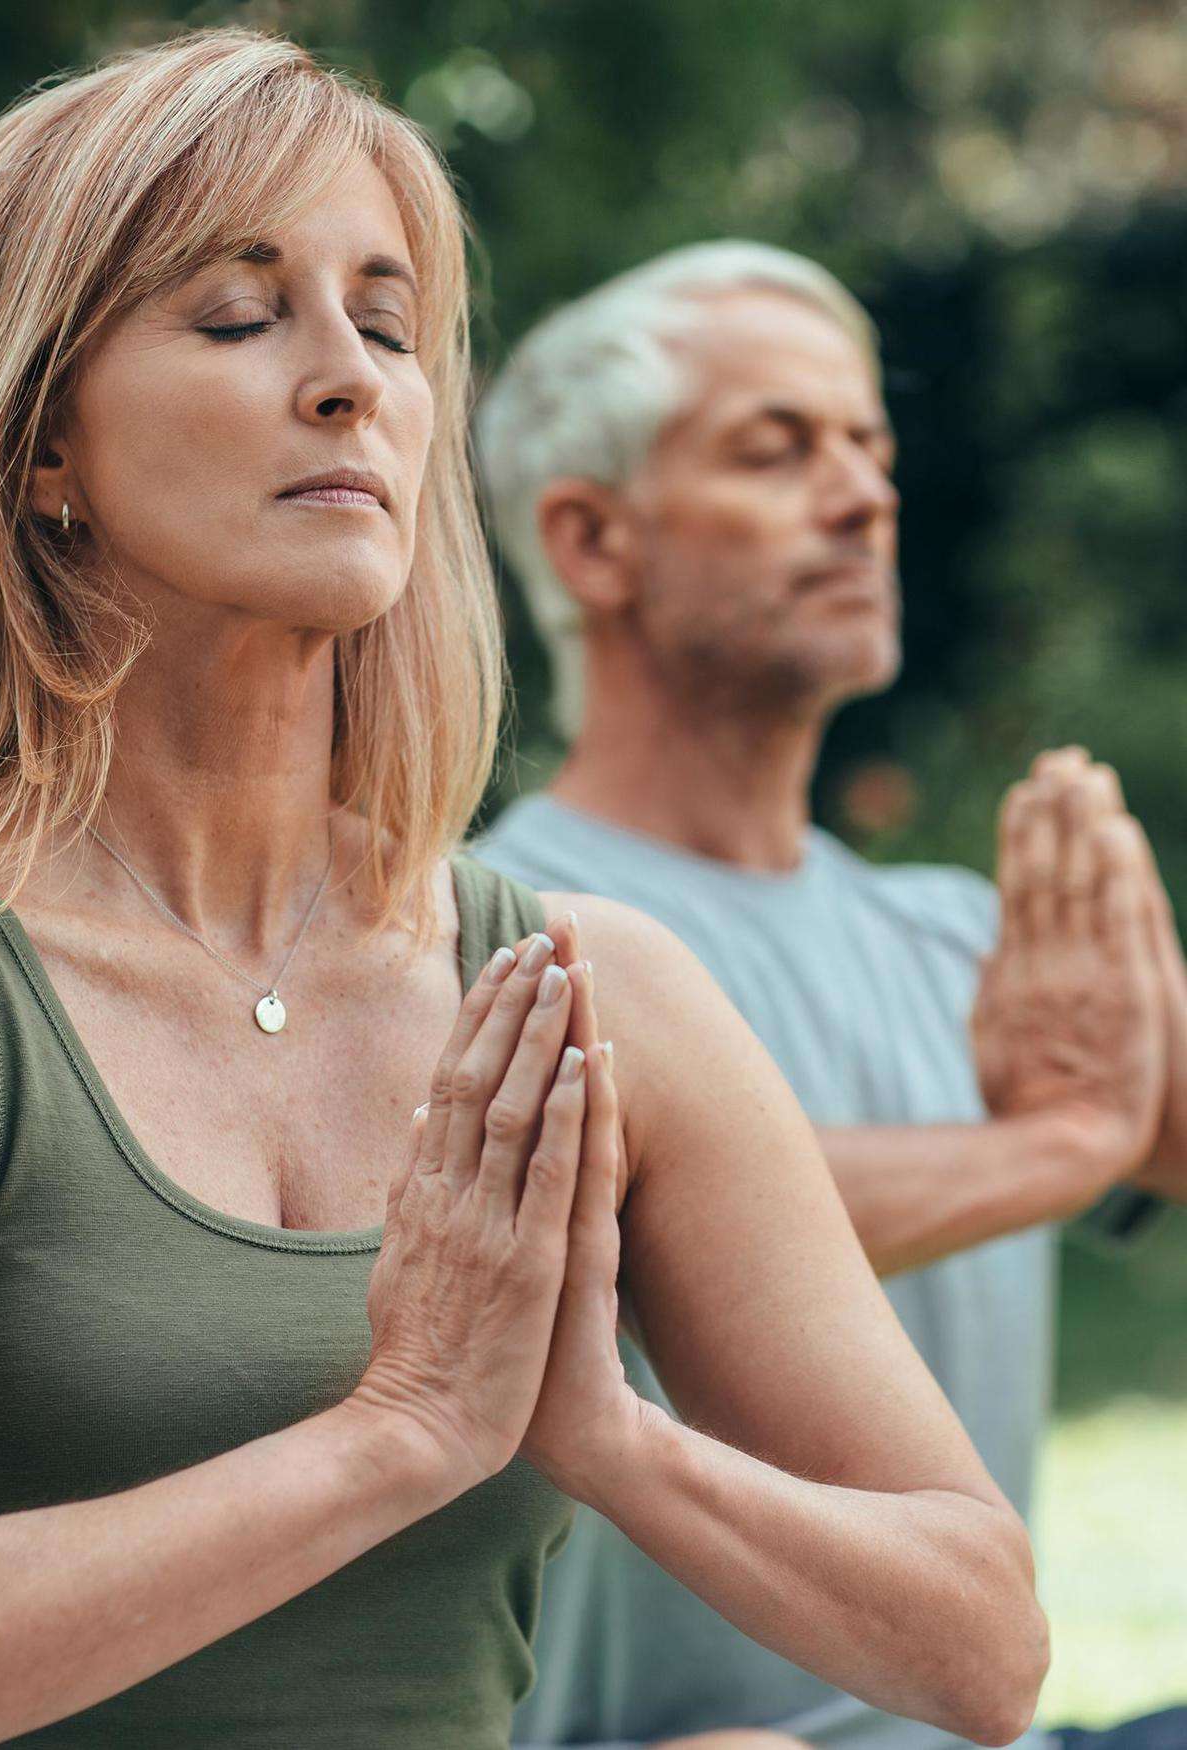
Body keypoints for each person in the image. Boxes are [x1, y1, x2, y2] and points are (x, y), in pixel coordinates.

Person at [0, 37, 1050, 1750]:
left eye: (385, 326)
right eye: (239, 319)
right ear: (34, 447)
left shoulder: (590, 989)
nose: (348, 382)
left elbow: (980, 1645)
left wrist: (608, 1437)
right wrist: (399, 1434)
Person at [472, 242, 1187, 1750]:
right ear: (594, 541)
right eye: (778, 448)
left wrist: (1156, 1107)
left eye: (870, 446)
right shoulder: (485, 934)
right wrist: (1058, 1148)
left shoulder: (973, 941)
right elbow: (664, 1214)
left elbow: (1137, 1125)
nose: (866, 496)